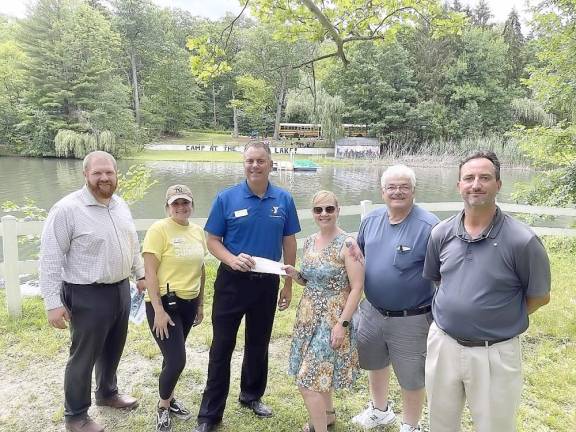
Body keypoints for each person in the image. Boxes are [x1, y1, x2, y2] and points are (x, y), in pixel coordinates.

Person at [423, 150, 551, 432]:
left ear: (498, 184)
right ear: (458, 185)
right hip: (443, 345)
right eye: (468, 178)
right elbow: (437, 279)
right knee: (440, 423)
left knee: (495, 426)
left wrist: (496, 316)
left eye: (484, 177)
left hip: (495, 353)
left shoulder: (523, 240)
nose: (476, 184)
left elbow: (540, 296)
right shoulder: (440, 233)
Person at [193, 141, 301, 432]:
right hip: (232, 283)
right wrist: (230, 258)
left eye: (260, 161)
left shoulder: (284, 200)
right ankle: (209, 415)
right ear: (244, 164)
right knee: (222, 347)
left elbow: (289, 242)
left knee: (258, 343)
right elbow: (212, 240)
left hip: (267, 283)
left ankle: (251, 395)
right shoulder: (226, 198)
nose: (255, 166)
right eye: (249, 161)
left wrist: (287, 284)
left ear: (270, 164)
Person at [39, 150, 145, 432]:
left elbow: (132, 243)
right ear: (85, 174)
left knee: (113, 348)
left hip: (120, 289)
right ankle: (75, 416)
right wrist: (52, 302)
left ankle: (107, 393)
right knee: (83, 356)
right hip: (85, 292)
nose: (104, 178)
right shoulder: (67, 209)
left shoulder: (119, 204)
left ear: (116, 173)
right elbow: (50, 258)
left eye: (109, 172)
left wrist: (142, 274)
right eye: (97, 173)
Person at [351, 165, 439, 432]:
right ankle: (380, 411)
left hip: (411, 317)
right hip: (373, 311)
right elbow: (358, 258)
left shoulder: (429, 226)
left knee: (411, 376)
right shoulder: (371, 220)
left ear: (413, 190)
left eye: (403, 187)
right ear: (382, 191)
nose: (397, 192)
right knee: (375, 362)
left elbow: (442, 274)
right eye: (391, 187)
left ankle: (411, 425)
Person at [284, 190, 364, 432]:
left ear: (338, 211)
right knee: (319, 373)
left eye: (329, 209)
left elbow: (357, 287)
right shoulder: (308, 242)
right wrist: (294, 273)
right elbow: (310, 280)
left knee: (307, 380)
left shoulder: (348, 244)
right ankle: (327, 417)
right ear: (313, 213)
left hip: (333, 319)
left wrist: (342, 324)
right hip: (308, 318)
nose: (324, 214)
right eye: (319, 210)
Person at [142, 185, 207, 432]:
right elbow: (149, 272)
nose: (181, 208)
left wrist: (200, 304)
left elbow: (201, 270)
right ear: (167, 207)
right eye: (175, 203)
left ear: (192, 205)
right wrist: (158, 309)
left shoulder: (198, 232)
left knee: (171, 357)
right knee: (178, 360)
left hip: (189, 305)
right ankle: (162, 406)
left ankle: (169, 398)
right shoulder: (159, 230)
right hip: (165, 306)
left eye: (185, 203)